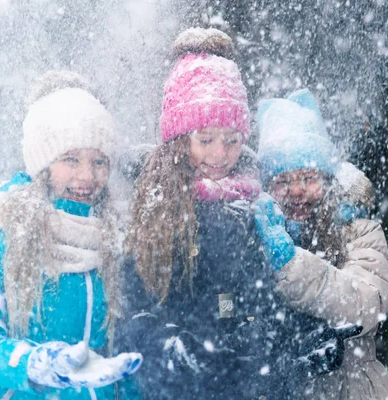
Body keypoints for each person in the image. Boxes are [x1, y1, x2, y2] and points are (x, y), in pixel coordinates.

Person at [120, 28, 353, 399]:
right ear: (180, 140)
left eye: (231, 139)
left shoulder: (258, 202)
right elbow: (136, 311)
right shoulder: (159, 207)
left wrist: (300, 339)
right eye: (206, 140)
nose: (219, 154)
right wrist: (175, 350)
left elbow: (264, 301)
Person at [0, 71, 142, 400]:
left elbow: (121, 351)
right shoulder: (0, 231)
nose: (87, 176)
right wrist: (33, 364)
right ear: (42, 164)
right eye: (71, 159)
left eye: (99, 161)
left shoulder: (114, 236)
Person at [255, 88, 388, 399]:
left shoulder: (357, 230)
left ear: (328, 179)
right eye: (282, 181)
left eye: (309, 177)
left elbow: (367, 304)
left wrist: (291, 266)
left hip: (354, 388)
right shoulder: (256, 236)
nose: (296, 191)